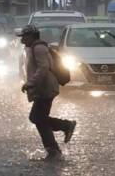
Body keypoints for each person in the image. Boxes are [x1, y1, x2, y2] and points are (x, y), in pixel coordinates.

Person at [17, 25, 76, 160]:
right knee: (39, 119)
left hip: (46, 88)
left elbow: (44, 68)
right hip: (42, 88)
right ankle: (52, 149)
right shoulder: (35, 48)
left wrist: (30, 83)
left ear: (31, 36)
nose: (22, 40)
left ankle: (65, 126)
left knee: (36, 118)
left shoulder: (39, 48)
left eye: (24, 37)